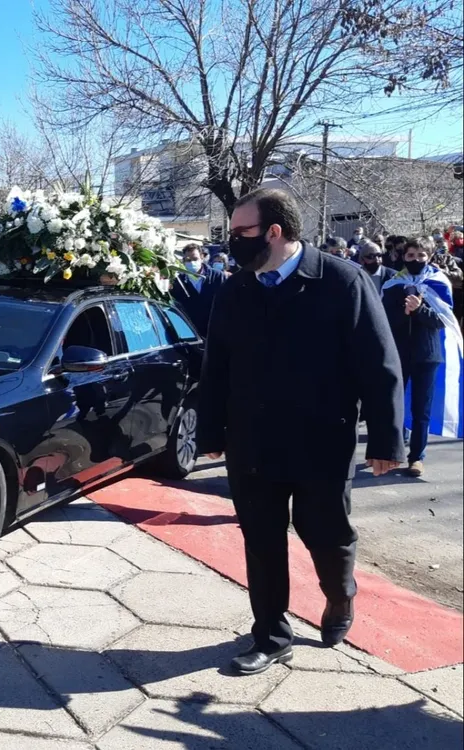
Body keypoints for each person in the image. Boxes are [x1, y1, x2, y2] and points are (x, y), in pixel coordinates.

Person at [197, 188, 404, 675]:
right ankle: (270, 635)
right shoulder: (237, 288)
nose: (232, 243)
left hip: (321, 443)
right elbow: (217, 367)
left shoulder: (342, 281)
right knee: (262, 539)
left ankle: (340, 594)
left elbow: (380, 365)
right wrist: (210, 433)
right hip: (252, 442)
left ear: (274, 232)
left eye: (240, 233)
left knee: (326, 535)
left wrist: (386, 439)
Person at [382, 238, 462, 477]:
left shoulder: (438, 283)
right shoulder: (392, 284)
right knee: (394, 404)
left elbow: (441, 321)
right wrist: (402, 310)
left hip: (427, 354)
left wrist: (419, 310)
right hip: (398, 353)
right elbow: (384, 319)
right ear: (402, 257)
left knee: (421, 409)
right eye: (411, 255)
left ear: (428, 257)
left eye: (420, 256)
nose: (415, 260)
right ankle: (392, 451)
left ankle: (416, 457)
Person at [170, 243, 227, 338]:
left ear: (202, 257)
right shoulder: (178, 281)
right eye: (187, 260)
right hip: (191, 334)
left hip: (216, 332)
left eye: (195, 258)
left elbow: (227, 302)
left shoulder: (218, 276)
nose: (192, 262)